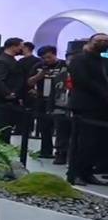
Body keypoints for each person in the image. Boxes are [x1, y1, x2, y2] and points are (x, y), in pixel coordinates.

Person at [66, 33, 108, 186]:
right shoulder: (79, 59)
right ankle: (75, 172)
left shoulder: (103, 61)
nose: (103, 43)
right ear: (91, 42)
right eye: (99, 40)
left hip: (102, 106)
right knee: (83, 141)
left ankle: (87, 172)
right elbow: (83, 81)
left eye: (106, 41)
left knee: (96, 142)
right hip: (85, 105)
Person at [0, 37, 27, 140]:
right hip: (2, 101)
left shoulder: (10, 60)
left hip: (9, 100)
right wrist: (8, 93)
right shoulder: (3, 61)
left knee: (6, 127)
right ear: (13, 47)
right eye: (21, 47)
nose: (22, 49)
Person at [28, 46, 64, 158]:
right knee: (44, 127)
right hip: (42, 99)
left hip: (59, 100)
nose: (46, 60)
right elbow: (29, 82)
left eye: (49, 57)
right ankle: (46, 150)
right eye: (43, 58)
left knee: (61, 127)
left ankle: (61, 152)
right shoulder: (38, 66)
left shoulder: (63, 65)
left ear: (54, 54)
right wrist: (40, 75)